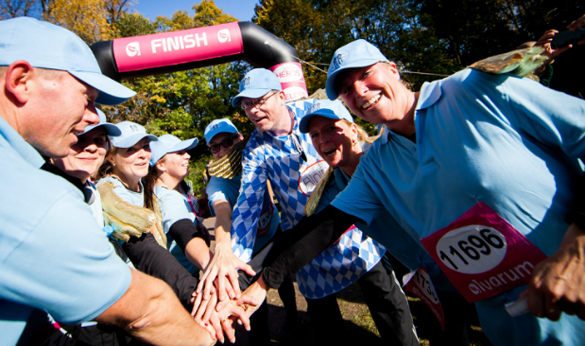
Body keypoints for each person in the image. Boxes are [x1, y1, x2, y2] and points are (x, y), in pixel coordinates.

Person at [234, 39, 585, 345]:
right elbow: (326, 226)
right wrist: (263, 284)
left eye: (365, 74)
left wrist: (578, 247)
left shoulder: (475, 90)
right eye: (345, 89)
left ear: (393, 68)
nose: (358, 91)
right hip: (511, 329)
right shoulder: (377, 166)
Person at [0, 16, 217, 346]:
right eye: (86, 98)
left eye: (101, 138)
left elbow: (144, 246)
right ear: (21, 81)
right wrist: (205, 338)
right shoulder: (32, 194)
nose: (91, 117)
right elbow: (143, 308)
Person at [216, 68, 417, 345]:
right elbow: (248, 205)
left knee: (391, 310)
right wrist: (232, 259)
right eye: (246, 104)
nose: (252, 110)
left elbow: (357, 138)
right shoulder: (255, 148)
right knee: (326, 329)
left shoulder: (318, 112)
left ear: (282, 96)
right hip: (306, 247)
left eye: (259, 100)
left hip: (355, 231)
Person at [299, 99, 475, 345]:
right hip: (420, 269)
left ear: (352, 129)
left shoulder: (385, 155)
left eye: (331, 128)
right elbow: (308, 232)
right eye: (315, 134)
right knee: (445, 331)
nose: (322, 139)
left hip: (460, 251)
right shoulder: (331, 185)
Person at [197, 118, 298, 345]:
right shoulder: (217, 184)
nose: (223, 150)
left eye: (228, 141)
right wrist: (222, 246)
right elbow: (223, 213)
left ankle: (293, 319)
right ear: (211, 152)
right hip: (249, 249)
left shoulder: (257, 159)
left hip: (274, 232)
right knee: (255, 303)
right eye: (215, 147)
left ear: (240, 139)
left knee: (283, 282)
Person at [146, 133, 212, 276]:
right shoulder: (167, 197)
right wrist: (214, 265)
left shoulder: (180, 188)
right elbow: (183, 231)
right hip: (180, 283)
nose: (187, 156)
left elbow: (197, 209)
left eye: (186, 152)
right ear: (160, 164)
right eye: (180, 153)